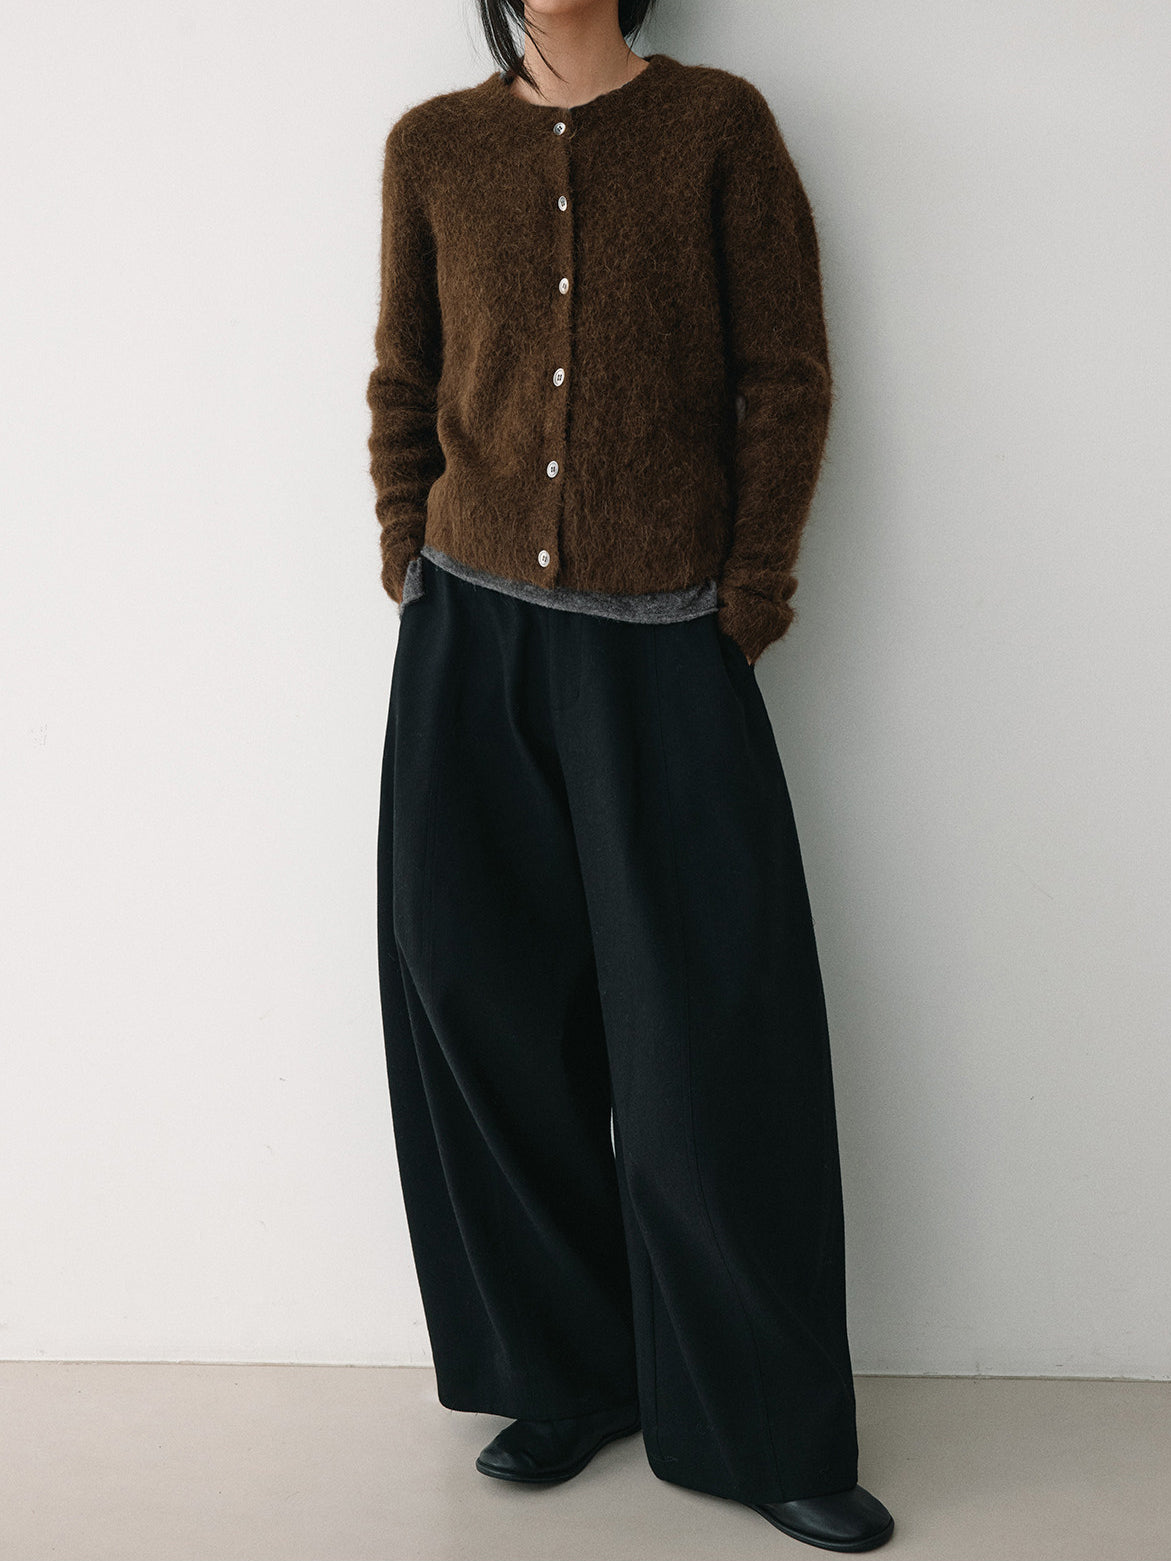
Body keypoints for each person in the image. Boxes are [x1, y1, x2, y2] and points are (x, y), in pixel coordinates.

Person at [367, 0, 894, 1550]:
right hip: (469, 637)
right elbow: (406, 375)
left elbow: (784, 376)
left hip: (666, 641)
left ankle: (760, 1421)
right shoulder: (434, 146)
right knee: (481, 1010)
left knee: (709, 1037)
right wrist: (407, 554)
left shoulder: (718, 127)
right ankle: (563, 1371)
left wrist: (750, 596)